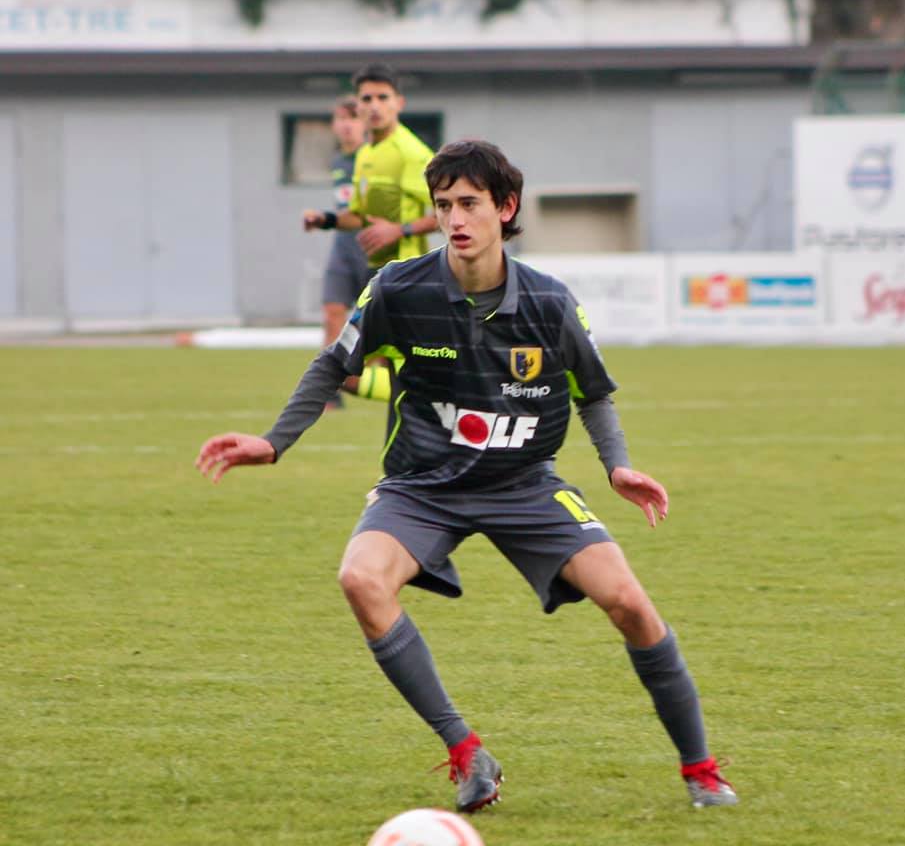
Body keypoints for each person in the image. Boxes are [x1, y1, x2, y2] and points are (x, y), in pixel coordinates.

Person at [195, 140, 738, 814]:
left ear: (504, 208)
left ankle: (702, 770)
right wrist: (273, 443)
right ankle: (465, 750)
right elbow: (332, 365)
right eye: (444, 204)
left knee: (628, 601)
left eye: (469, 204)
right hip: (423, 485)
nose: (455, 217)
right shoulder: (398, 289)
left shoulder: (550, 303)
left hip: (524, 482)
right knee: (360, 578)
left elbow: (594, 392)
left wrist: (617, 464)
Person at [303, 62, 438, 402]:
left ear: (399, 104)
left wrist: (400, 229)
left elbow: (446, 212)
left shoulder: (413, 153)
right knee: (368, 367)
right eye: (367, 98)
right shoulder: (366, 154)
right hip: (377, 271)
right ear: (358, 105)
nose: (374, 105)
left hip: (408, 273)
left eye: (383, 97)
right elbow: (361, 216)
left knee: (350, 370)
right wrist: (328, 220)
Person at [302, 95, 368, 409]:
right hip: (342, 249)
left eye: (352, 118)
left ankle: (390, 385)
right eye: (340, 118)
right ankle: (330, 390)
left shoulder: (373, 159)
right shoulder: (338, 161)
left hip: (374, 251)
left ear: (365, 123)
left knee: (385, 326)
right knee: (332, 314)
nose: (345, 125)